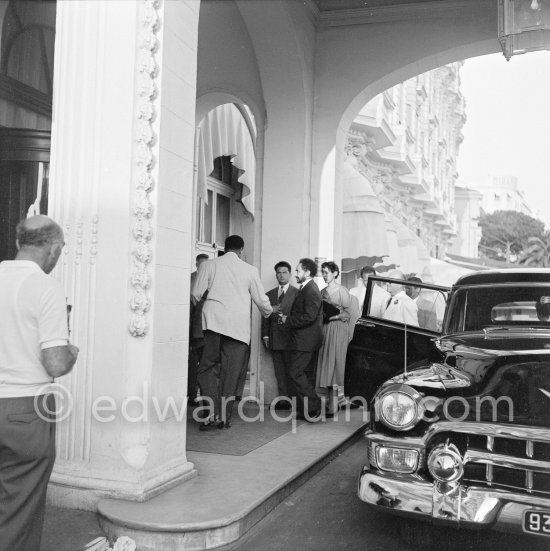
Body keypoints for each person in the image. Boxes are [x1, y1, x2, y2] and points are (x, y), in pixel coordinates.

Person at [0, 215, 79, 551]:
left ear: (19, 243)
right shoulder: (45, 287)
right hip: (24, 409)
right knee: (17, 511)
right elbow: (56, 362)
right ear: (54, 249)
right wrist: (72, 350)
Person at [192, 235, 272, 429]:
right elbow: (261, 301)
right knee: (231, 372)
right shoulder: (250, 270)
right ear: (241, 249)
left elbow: (196, 294)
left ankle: (210, 412)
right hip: (237, 327)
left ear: (224, 248)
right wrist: (269, 311)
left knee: (206, 368)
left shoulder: (208, 265)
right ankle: (222, 417)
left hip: (212, 323)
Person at [279, 258, 323, 421]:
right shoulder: (307, 288)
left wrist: (287, 321)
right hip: (304, 340)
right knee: (301, 374)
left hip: (305, 341)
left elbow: (309, 317)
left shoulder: (310, 289)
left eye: (298, 271)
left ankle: (315, 407)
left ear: (307, 272)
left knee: (295, 373)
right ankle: (307, 411)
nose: (295, 274)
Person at [315, 261, 356, 416]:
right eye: (323, 272)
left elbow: (347, 315)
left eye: (327, 272)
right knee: (327, 363)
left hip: (338, 330)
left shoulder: (342, 291)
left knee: (335, 364)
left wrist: (331, 317)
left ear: (335, 273)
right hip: (326, 330)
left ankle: (334, 404)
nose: (325, 275)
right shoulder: (321, 291)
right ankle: (331, 403)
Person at [261, 261, 299, 409]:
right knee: (279, 371)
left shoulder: (297, 294)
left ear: (290, 274)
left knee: (293, 370)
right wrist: (265, 336)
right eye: (279, 272)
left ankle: (295, 400)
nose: (281, 275)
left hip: (291, 339)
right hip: (275, 338)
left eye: (284, 272)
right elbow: (265, 317)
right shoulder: (269, 294)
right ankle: (284, 400)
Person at [188, 254, 209, 404]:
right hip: (193, 327)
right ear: (196, 264)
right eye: (201, 265)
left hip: (206, 329)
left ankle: (204, 395)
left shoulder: (210, 280)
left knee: (205, 365)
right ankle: (192, 394)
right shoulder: (188, 279)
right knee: (192, 365)